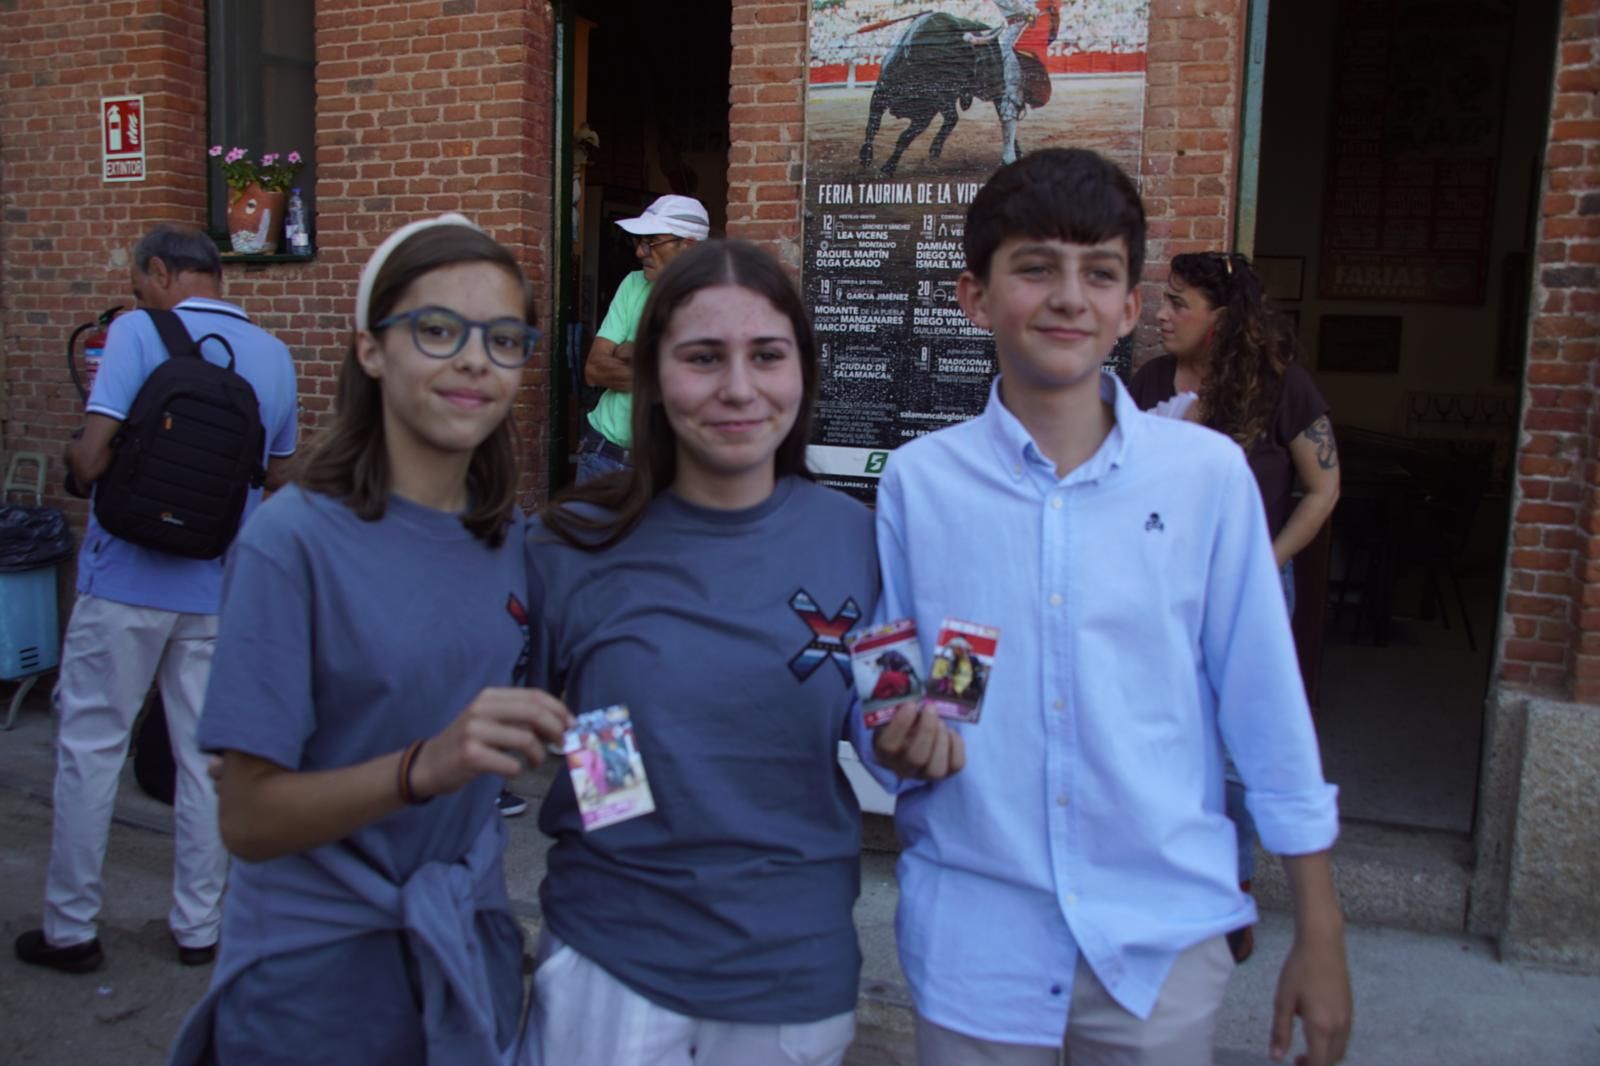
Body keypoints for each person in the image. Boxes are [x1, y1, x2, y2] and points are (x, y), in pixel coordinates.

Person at [868, 148, 1352, 1066]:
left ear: (1131, 307)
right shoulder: (921, 483)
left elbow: (1265, 706)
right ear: (976, 297)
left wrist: (1319, 926)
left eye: (1099, 273)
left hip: (1157, 941)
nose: (1069, 298)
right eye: (1035, 268)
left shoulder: (1205, 477)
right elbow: (896, 664)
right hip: (977, 937)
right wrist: (891, 732)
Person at [522, 239, 960, 1066]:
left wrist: (912, 741)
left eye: (766, 355)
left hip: (791, 968)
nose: (737, 387)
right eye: (702, 357)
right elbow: (566, 721)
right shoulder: (570, 543)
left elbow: (888, 719)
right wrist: (627, 822)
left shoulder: (859, 540)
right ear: (653, 375)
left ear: (803, 372)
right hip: (612, 956)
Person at [166, 214, 573, 1066]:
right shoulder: (292, 541)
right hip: (318, 983)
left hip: (466, 959)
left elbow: (581, 720)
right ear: (371, 349)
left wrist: (648, 839)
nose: (476, 360)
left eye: (504, 339)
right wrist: (423, 767)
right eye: (438, 330)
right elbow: (246, 818)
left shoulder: (509, 539)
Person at [13, 224, 299, 976]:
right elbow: (278, 474)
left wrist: (80, 461)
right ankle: (199, 928)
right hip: (215, 588)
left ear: (163, 271)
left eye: (141, 282)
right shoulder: (273, 355)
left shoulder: (136, 333)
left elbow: (92, 456)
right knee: (204, 760)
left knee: (91, 750)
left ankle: (71, 930)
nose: (139, 295)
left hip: (124, 585)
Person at [1131, 251, 1342, 962]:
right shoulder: (1149, 383)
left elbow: (1324, 490)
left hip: (1250, 583)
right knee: (1167, 726)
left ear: (1221, 321)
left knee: (1235, 740)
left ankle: (1235, 890)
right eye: (1163, 300)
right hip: (1163, 583)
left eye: (1178, 303)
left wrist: (1265, 561)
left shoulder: (1282, 388)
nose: (1162, 314)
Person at [575, 193, 710, 484]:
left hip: (668, 469)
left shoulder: (715, 302)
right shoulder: (633, 284)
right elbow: (594, 369)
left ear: (688, 246)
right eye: (640, 241)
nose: (640, 252)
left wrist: (629, 350)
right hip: (602, 454)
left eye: (652, 242)